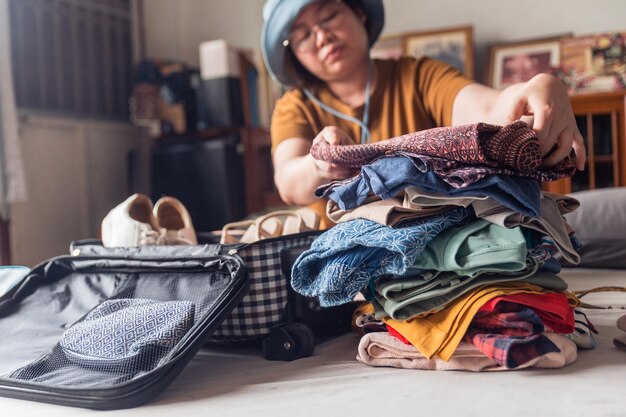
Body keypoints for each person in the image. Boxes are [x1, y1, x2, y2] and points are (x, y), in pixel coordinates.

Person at [261, 0, 586, 229]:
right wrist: (319, 162)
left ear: (358, 13)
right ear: (294, 56)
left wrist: (535, 88)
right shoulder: (295, 106)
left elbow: (487, 111)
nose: (322, 37)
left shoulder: (417, 75)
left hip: (438, 247)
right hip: (346, 256)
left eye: (330, 14)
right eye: (302, 35)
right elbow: (289, 180)